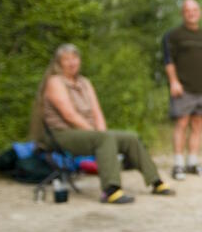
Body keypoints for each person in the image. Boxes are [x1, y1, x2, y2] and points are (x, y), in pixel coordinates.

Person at [31, 44, 174, 204]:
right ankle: (111, 190)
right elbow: (69, 115)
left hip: (86, 132)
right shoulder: (55, 82)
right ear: (59, 63)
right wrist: (98, 135)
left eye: (74, 58)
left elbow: (96, 111)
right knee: (104, 139)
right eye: (67, 59)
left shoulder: (84, 82)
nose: (72, 62)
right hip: (61, 134)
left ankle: (156, 182)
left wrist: (102, 132)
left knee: (130, 138)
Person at [163, 0, 202, 180]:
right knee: (181, 123)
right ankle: (178, 164)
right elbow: (168, 61)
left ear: (200, 12)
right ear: (183, 13)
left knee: (197, 125)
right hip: (183, 88)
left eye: (195, 9)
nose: (192, 13)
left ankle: (192, 162)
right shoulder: (174, 35)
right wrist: (173, 81)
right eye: (188, 10)